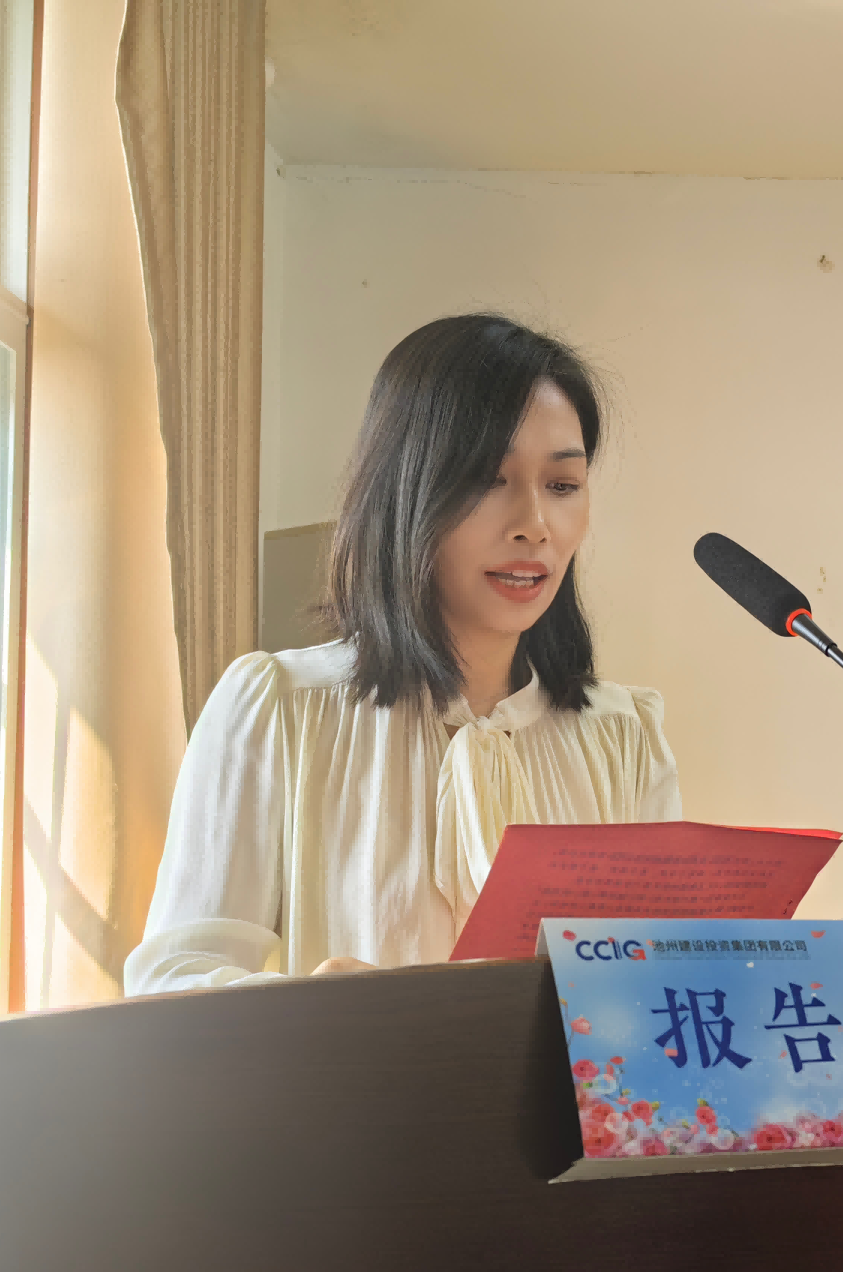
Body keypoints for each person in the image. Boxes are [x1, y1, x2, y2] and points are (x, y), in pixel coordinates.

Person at [124, 315, 681, 994]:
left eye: (562, 486)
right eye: (488, 479)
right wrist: (317, 1009)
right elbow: (170, 982)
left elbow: (660, 996)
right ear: (405, 491)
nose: (534, 525)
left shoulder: (624, 738)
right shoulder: (279, 708)